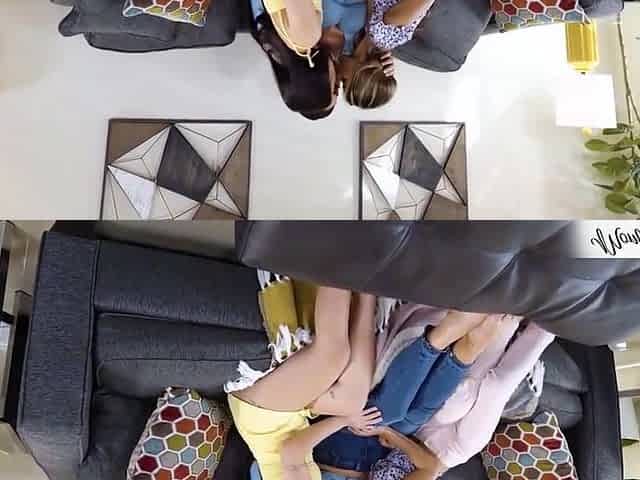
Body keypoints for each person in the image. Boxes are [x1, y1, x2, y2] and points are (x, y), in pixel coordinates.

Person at [312, 312, 506, 479]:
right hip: (384, 444)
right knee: (419, 413)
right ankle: (467, 349)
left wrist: (344, 420)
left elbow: (297, 453)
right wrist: (386, 432)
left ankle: (439, 339)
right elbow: (430, 468)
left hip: (339, 438)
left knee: (390, 411)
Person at [356, 321, 556, 480]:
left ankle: (507, 320)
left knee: (467, 388)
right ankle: (545, 328)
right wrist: (386, 432)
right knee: (495, 388)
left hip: (423, 433)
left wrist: (390, 442)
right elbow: (430, 467)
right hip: (452, 450)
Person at [228, 287, 381, 480]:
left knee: (333, 355)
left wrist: (346, 421)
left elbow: (291, 451)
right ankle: (366, 294)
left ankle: (340, 274)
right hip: (286, 418)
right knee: (352, 400)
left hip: (264, 416)